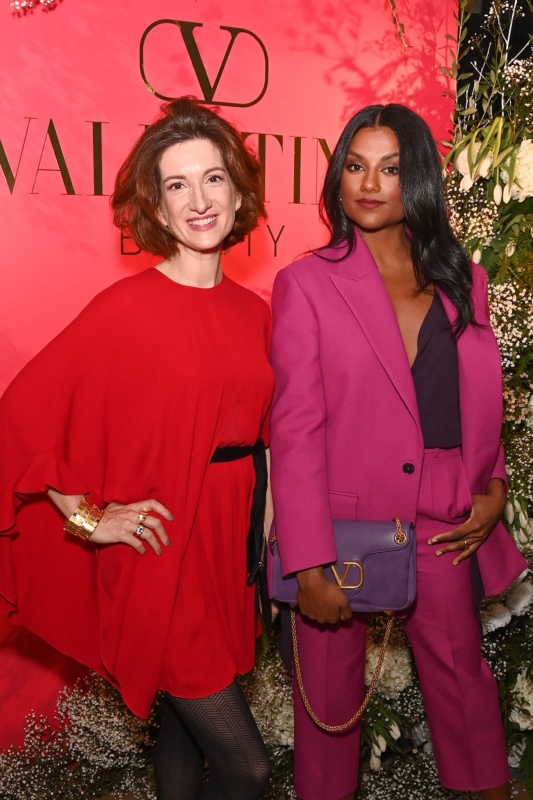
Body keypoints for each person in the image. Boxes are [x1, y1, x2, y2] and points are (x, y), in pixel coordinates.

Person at [0, 96, 273, 800]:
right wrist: (89, 518)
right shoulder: (124, 310)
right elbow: (22, 418)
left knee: (184, 735)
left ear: (240, 190)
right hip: (163, 551)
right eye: (176, 185)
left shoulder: (257, 313)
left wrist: (269, 545)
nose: (199, 200)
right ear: (155, 205)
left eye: (212, 178)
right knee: (247, 768)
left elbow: (272, 437)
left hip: (228, 548)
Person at [269, 104, 527, 800]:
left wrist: (493, 485)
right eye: (354, 165)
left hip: (446, 514)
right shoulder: (307, 284)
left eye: (389, 167)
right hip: (342, 526)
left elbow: (474, 400)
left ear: (416, 178)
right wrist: (309, 562)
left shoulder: (458, 278)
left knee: (462, 684)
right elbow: (293, 430)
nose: (368, 183)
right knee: (325, 709)